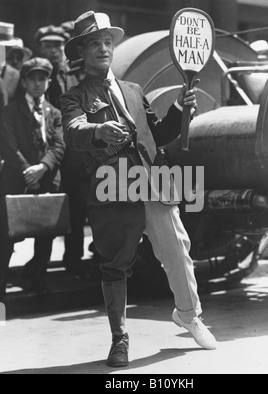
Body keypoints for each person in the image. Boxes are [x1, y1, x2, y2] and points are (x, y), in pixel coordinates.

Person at [61, 11, 217, 368]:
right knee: (115, 265)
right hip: (112, 189)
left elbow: (158, 134)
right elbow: (73, 130)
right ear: (82, 53)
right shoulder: (74, 96)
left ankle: (189, 315)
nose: (102, 49)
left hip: (154, 182)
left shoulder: (134, 90)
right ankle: (120, 339)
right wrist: (96, 132)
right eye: (94, 44)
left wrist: (180, 109)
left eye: (107, 42)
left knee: (178, 250)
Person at [0, 58, 65, 300]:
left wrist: (42, 168)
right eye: (33, 79)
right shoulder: (10, 111)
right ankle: (2, 281)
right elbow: (8, 145)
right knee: (6, 234)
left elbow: (59, 145)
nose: (38, 84)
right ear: (24, 82)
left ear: (48, 82)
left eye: (43, 79)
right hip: (16, 179)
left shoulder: (55, 113)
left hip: (47, 178)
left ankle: (37, 278)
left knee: (46, 234)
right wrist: (28, 171)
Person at [35, 25, 90, 278]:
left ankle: (73, 259)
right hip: (47, 155)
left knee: (77, 210)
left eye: (58, 46)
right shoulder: (36, 76)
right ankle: (39, 263)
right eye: (48, 46)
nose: (54, 50)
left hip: (73, 158)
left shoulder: (73, 77)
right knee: (43, 211)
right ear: (40, 48)